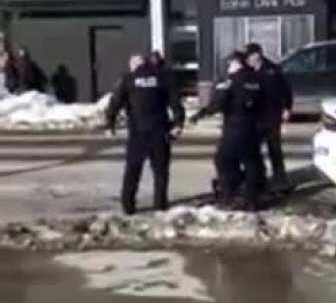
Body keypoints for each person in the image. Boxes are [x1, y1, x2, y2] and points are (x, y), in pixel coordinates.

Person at [105, 54, 185, 214]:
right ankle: (160, 205)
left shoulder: (128, 79)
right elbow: (175, 102)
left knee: (132, 170)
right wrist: (178, 123)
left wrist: (110, 125)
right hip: (160, 130)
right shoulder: (162, 77)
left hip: (137, 132)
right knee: (160, 171)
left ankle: (128, 205)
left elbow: (114, 103)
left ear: (134, 65)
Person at [190, 51, 266, 211]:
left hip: (234, 129)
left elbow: (217, 104)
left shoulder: (230, 82)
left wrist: (199, 115)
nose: (228, 67)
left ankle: (229, 195)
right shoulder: (258, 79)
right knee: (252, 163)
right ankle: (252, 199)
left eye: (230, 64)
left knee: (224, 161)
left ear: (236, 63)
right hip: (254, 129)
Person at [244, 42, 293, 193]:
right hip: (254, 116)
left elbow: (286, 90)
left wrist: (287, 108)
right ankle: (259, 179)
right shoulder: (247, 70)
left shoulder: (272, 69)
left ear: (257, 55)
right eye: (247, 57)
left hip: (272, 115)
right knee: (253, 149)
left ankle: (280, 179)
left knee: (274, 148)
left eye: (251, 56)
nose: (249, 59)